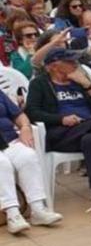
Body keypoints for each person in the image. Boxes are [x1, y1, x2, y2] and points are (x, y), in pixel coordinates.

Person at [25, 47, 91, 209]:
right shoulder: (40, 84)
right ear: (54, 66)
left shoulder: (78, 82)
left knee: (90, 140)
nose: (75, 64)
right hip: (60, 135)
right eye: (70, 61)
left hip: (88, 131)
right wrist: (61, 119)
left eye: (75, 61)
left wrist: (87, 84)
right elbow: (32, 112)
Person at [0, 87, 62, 234]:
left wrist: (25, 127)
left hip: (8, 140)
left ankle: (37, 209)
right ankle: (12, 214)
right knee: (2, 164)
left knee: (27, 156)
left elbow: (18, 114)